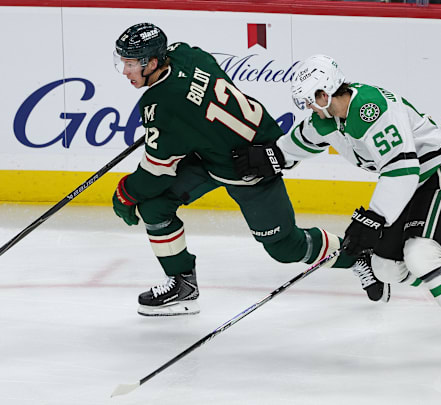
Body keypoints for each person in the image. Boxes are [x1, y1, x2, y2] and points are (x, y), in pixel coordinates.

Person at [233, 54, 441, 364]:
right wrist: (271, 155)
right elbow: (302, 140)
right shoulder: (328, 118)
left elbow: (402, 169)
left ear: (325, 92)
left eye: (310, 99)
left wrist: (373, 219)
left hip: (438, 174)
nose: (308, 106)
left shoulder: (371, 110)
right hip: (408, 183)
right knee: (386, 268)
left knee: (419, 256)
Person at [110, 23, 390, 317]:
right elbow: (206, 93)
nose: (125, 71)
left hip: (252, 165)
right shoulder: (184, 53)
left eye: (130, 64)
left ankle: (357, 256)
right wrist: (187, 127)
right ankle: (183, 285)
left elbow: (156, 171)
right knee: (155, 207)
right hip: (212, 155)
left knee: (285, 247)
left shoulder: (160, 104)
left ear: (152, 62)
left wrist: (125, 194)